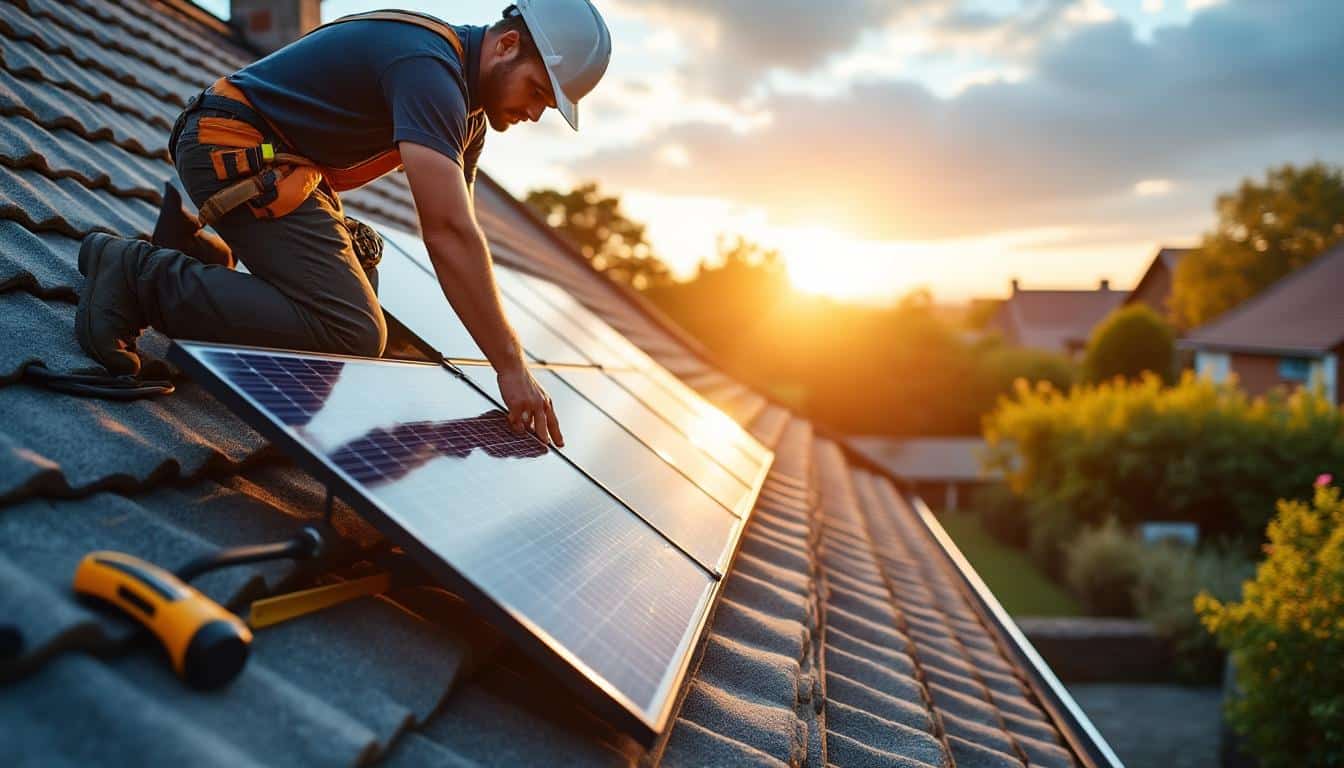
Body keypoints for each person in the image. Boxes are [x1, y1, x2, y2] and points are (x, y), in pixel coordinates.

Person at [75, 1, 614, 447]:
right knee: (352, 332)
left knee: (364, 274)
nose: (536, 113)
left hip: (282, 166)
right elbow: (447, 234)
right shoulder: (431, 71)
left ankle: (204, 264)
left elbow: (460, 232)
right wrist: (511, 365)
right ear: (506, 46)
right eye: (538, 92)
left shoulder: (467, 113)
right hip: (228, 146)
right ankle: (138, 276)